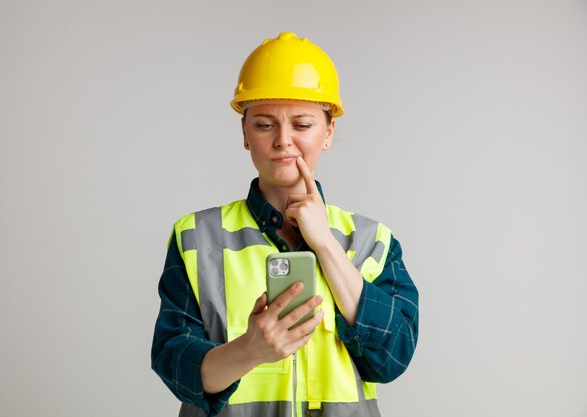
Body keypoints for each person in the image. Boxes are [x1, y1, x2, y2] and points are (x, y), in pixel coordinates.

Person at [151, 32, 419, 417]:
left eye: (302, 124)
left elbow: (392, 356)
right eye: (264, 125)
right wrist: (250, 350)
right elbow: (174, 362)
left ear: (328, 133)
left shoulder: (371, 242)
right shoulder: (196, 237)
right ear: (244, 134)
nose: (283, 140)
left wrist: (325, 244)